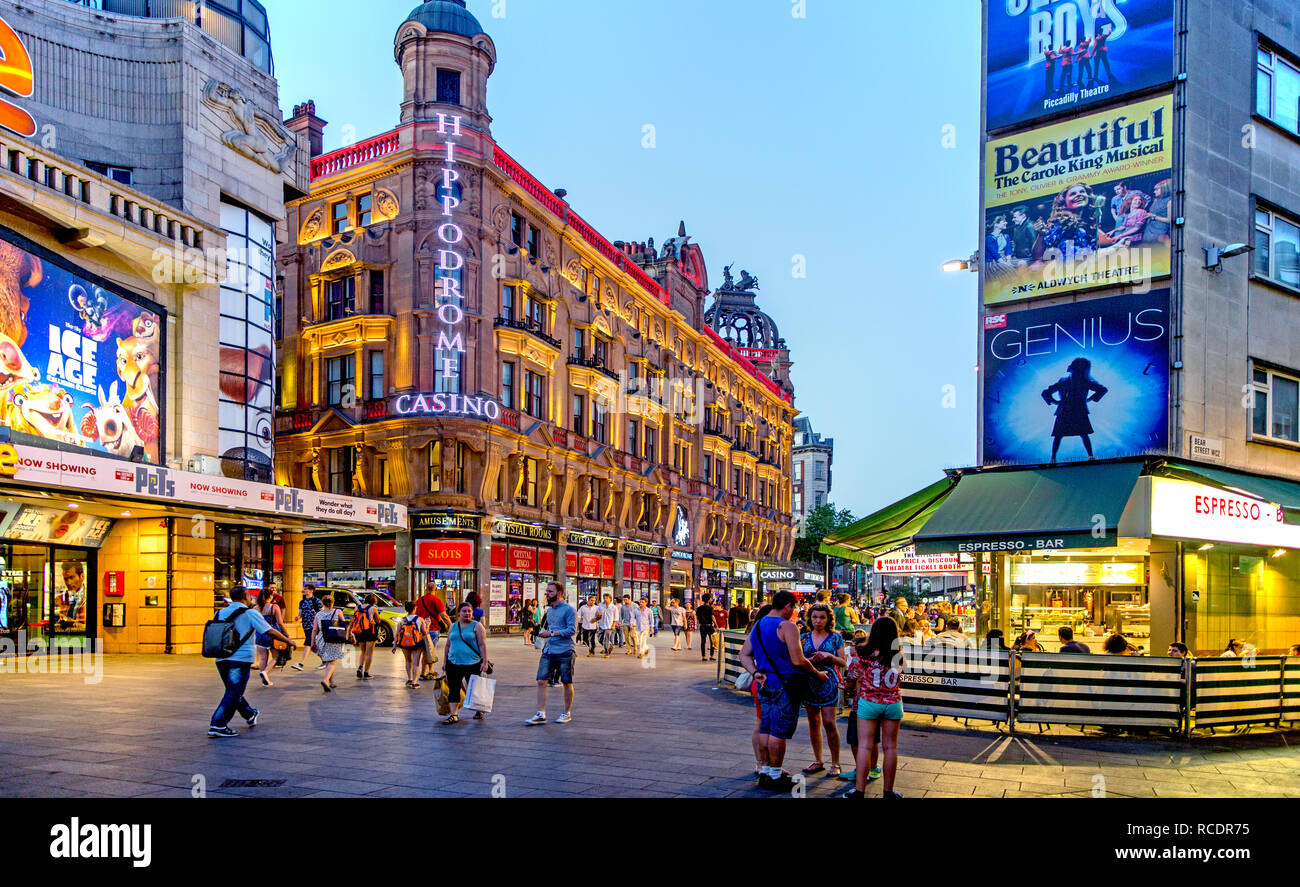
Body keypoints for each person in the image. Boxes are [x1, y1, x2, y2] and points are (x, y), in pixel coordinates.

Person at [738, 590, 830, 792]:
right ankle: (775, 774)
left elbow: (743, 655)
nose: (794, 612)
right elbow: (797, 660)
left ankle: (765, 771)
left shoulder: (759, 624)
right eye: (794, 607)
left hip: (765, 684)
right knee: (779, 731)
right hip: (785, 685)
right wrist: (817, 673)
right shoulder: (787, 626)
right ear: (788, 606)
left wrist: (755, 674)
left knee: (766, 727)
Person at [208, 585, 293, 737]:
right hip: (240, 658)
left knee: (233, 690)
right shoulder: (250, 613)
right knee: (234, 691)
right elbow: (269, 631)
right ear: (246, 596)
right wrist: (289, 641)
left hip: (221, 657)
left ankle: (249, 714)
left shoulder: (219, 613)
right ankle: (218, 724)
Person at [841, 617, 905, 799]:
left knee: (865, 746)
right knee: (890, 747)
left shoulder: (863, 652)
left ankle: (859, 791)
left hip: (869, 702)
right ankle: (888, 791)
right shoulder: (898, 652)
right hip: (892, 702)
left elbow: (853, 673)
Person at [801, 603, 846, 777]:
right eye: (814, 617)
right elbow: (798, 659)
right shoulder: (804, 636)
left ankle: (835, 762)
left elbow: (843, 662)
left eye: (822, 617)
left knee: (829, 722)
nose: (818, 620)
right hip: (810, 681)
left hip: (828, 681)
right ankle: (818, 760)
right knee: (813, 722)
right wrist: (810, 659)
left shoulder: (836, 638)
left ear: (828, 619)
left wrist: (829, 656)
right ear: (810, 618)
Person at [527, 582, 576, 726]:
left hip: (565, 650)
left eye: (550, 591)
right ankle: (541, 713)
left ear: (559, 593)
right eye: (546, 591)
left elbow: (572, 630)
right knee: (541, 680)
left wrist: (552, 633)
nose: (547, 594)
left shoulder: (569, 610)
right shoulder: (549, 610)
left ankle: (567, 712)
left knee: (567, 682)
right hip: (549, 650)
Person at [442, 602, 489, 723]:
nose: (467, 613)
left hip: (472, 663)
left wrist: (485, 661)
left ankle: (479, 709)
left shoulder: (477, 626)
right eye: (464, 611)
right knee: (453, 688)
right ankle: (454, 714)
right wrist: (445, 662)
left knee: (474, 689)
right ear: (458, 613)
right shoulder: (453, 626)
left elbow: (482, 645)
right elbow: (448, 645)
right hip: (453, 662)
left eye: (469, 611)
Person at [745, 604, 775, 775]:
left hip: (759, 680)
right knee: (765, 723)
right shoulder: (771, 633)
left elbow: (744, 654)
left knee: (761, 721)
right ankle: (766, 764)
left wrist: (754, 672)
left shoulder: (755, 632)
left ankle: (762, 763)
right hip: (769, 681)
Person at [414, 589, 452, 681]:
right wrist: (451, 625)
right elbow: (444, 615)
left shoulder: (419, 600)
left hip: (420, 630)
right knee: (429, 651)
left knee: (425, 651)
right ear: (435, 590)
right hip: (432, 629)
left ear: (426, 589)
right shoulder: (436, 600)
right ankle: (424, 673)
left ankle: (430, 670)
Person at [314, 595, 349, 692]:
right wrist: (350, 636)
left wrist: (313, 642)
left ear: (322, 603)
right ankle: (325, 680)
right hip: (334, 639)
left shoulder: (318, 614)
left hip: (322, 640)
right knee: (332, 662)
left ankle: (331, 681)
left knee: (328, 661)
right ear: (333, 602)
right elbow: (344, 625)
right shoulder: (338, 612)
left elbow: (315, 629)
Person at [253, 588, 286, 687]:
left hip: (259, 634)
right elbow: (280, 623)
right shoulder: (274, 607)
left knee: (263, 658)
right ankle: (265, 673)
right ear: (271, 596)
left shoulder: (255, 608)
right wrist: (286, 635)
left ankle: (264, 680)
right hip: (272, 633)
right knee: (275, 657)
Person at [393, 601, 428, 688]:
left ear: (406, 609)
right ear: (415, 608)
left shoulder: (402, 620)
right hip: (417, 643)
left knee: (408, 661)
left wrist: (394, 646)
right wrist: (428, 625)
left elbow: (397, 634)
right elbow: (425, 632)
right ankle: (415, 682)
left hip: (404, 643)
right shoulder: (420, 619)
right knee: (416, 662)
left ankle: (410, 679)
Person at [349, 592, 381, 681]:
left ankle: (360, 667)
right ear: (374, 601)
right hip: (370, 631)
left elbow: (354, 619)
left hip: (360, 631)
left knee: (363, 652)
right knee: (369, 653)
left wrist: (350, 632)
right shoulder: (373, 608)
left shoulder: (357, 607)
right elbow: (378, 621)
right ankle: (366, 673)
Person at [291, 585, 323, 672]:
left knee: (308, 644)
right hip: (305, 625)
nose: (303, 590)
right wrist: (298, 617)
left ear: (311, 591)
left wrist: (317, 624)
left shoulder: (316, 601)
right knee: (312, 645)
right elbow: (300, 613)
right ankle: (325, 660)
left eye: (306, 589)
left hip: (313, 626)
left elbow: (321, 613)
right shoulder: (302, 602)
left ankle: (301, 664)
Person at [597, 593, 620, 658]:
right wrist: (599, 615)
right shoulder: (600, 605)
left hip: (609, 626)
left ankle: (607, 653)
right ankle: (611, 646)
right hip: (601, 624)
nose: (605, 599)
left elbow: (616, 617)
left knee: (606, 639)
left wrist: (613, 625)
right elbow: (597, 614)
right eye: (604, 598)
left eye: (607, 598)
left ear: (610, 599)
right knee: (600, 639)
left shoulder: (614, 607)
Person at [696, 594, 718, 662]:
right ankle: (711, 656)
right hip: (709, 626)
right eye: (710, 598)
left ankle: (704, 656)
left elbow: (697, 616)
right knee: (712, 641)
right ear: (708, 599)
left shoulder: (699, 608)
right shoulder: (710, 608)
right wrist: (716, 625)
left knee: (703, 641)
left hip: (702, 626)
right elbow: (712, 617)